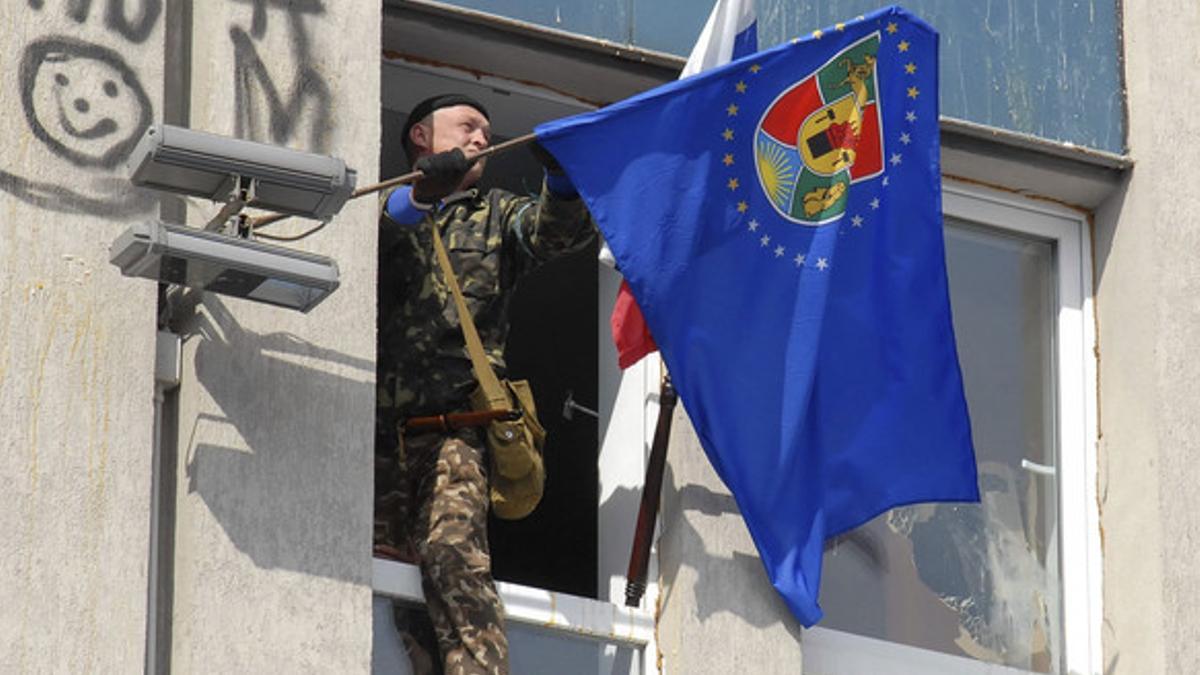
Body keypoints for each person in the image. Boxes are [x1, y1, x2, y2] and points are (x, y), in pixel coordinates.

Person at [374, 93, 594, 675]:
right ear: (421, 136)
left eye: (487, 133)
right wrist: (419, 196)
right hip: (371, 435)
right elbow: (375, 243)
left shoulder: (494, 212)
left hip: (454, 431)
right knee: (378, 571)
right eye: (468, 127)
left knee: (453, 558)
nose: (482, 139)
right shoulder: (384, 205)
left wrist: (563, 179)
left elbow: (551, 236)